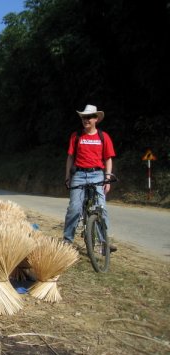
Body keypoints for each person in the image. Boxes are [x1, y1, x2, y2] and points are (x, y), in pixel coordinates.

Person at [63, 104, 116, 250]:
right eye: (84, 117)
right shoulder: (76, 136)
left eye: (89, 117)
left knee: (102, 208)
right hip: (79, 175)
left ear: (96, 119)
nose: (86, 120)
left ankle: (104, 242)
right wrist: (68, 176)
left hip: (97, 175)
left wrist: (107, 178)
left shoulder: (103, 137)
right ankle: (67, 240)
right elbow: (70, 157)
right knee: (74, 208)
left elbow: (108, 159)